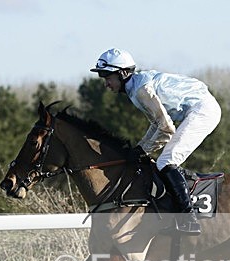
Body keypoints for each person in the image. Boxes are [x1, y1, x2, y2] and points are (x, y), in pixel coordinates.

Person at [90, 48, 221, 234]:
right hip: (199, 108)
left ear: (123, 73)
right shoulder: (136, 88)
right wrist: (141, 148)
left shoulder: (141, 90)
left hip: (203, 111)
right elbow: (156, 124)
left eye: (108, 77)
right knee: (164, 161)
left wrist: (142, 150)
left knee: (166, 161)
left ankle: (188, 219)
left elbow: (166, 128)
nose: (106, 84)